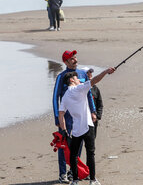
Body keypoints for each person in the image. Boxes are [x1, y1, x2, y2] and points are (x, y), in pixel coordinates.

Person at [58, 67, 115, 185]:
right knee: (90, 153)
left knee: (74, 155)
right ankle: (92, 180)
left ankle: (75, 180)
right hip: (88, 126)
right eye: (76, 78)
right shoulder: (79, 89)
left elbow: (61, 115)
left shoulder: (66, 96)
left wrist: (64, 130)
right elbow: (95, 80)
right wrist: (105, 71)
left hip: (76, 129)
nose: (79, 79)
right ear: (72, 80)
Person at [52, 50, 97, 183]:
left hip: (82, 116)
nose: (75, 60)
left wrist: (93, 110)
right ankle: (63, 174)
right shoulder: (62, 77)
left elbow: (88, 93)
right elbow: (55, 98)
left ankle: (74, 172)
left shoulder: (82, 74)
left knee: (80, 143)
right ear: (65, 62)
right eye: (72, 59)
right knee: (64, 144)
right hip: (67, 117)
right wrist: (57, 118)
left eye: (75, 57)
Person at [82, 67, 103, 138]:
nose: (89, 74)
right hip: (82, 119)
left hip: (93, 119)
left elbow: (100, 104)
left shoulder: (95, 88)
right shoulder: (80, 88)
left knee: (92, 140)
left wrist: (98, 116)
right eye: (87, 73)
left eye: (90, 72)